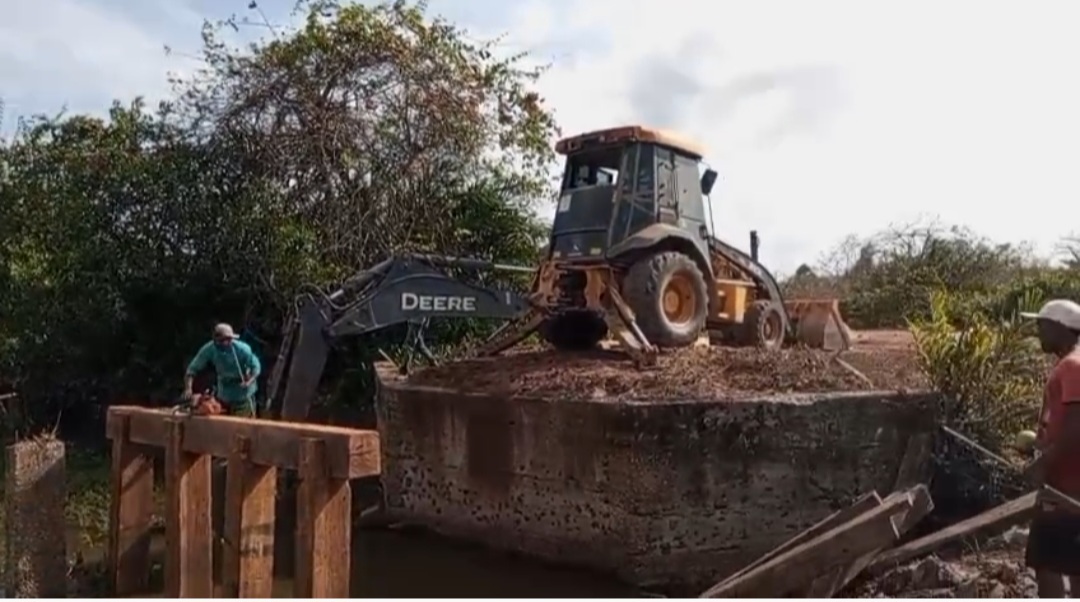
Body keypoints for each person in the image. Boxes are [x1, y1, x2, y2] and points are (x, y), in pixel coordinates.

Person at [1021, 299, 1080, 597]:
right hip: (1068, 485)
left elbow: (1077, 425)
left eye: (1042, 325)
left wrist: (1044, 462)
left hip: (1065, 489)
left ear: (1060, 327)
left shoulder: (1072, 366)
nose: (1038, 332)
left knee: (1048, 563)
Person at [183, 323, 262, 418]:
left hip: (242, 394)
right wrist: (188, 388)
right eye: (224, 340)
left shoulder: (242, 349)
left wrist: (249, 380)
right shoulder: (209, 349)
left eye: (229, 340)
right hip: (224, 394)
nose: (227, 343)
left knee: (241, 426)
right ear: (216, 340)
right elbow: (192, 369)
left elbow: (256, 366)